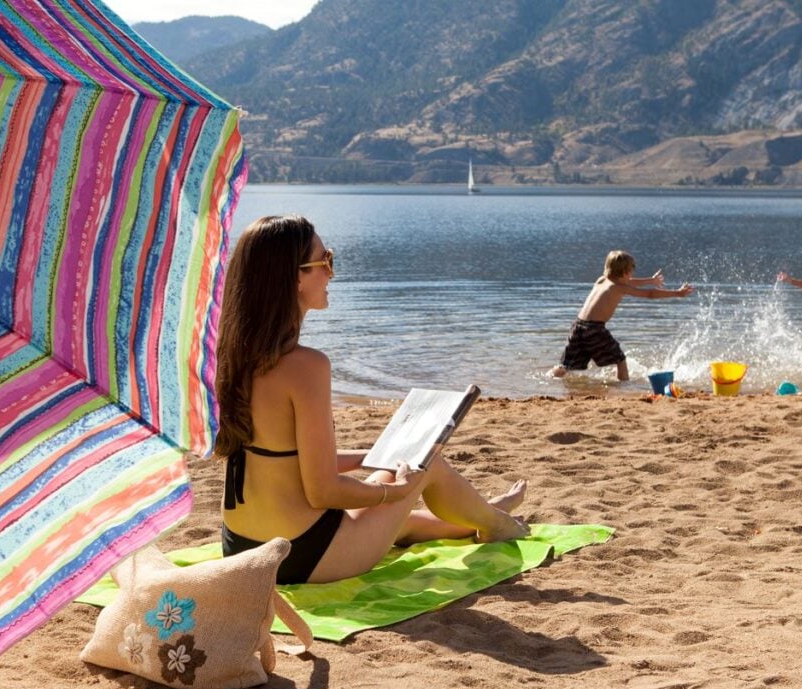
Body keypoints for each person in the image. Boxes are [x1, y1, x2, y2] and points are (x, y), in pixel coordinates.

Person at [214, 215, 529, 585]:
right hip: (299, 556)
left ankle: (484, 512)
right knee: (425, 465)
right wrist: (391, 491)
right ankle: (497, 525)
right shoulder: (306, 366)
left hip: (241, 549)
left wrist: (368, 458)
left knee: (400, 519)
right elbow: (323, 491)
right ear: (296, 277)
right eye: (326, 260)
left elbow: (287, 461)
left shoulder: (233, 356)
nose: (331, 272)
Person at [549, 250, 693, 380]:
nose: (631, 276)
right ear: (625, 273)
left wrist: (650, 280)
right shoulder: (618, 288)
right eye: (631, 272)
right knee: (620, 359)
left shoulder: (602, 279)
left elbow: (629, 282)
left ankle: (548, 378)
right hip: (595, 329)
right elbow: (649, 294)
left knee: (566, 365)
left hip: (578, 326)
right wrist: (677, 293)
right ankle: (623, 387)